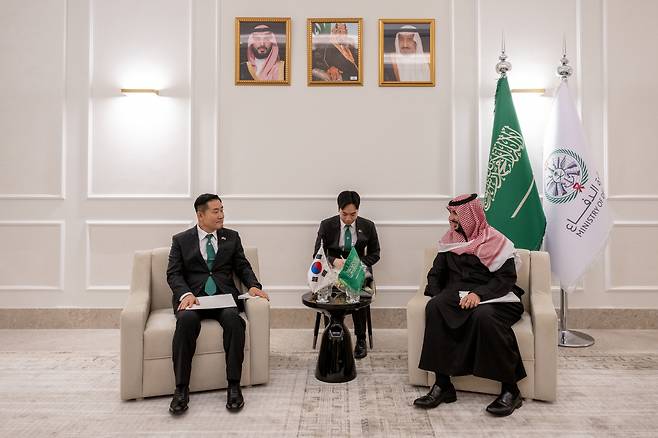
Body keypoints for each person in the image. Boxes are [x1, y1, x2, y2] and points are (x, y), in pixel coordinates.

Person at [413, 193, 526, 417]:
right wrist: (440, 296)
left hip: (497, 297)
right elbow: (436, 274)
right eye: (450, 213)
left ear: (470, 216)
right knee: (435, 307)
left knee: (483, 316)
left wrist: (478, 294)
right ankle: (443, 385)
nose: (451, 219)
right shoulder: (449, 241)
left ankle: (511, 390)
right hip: (459, 296)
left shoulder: (496, 241)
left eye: (455, 214)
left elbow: (505, 279)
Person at [167, 194, 269, 415]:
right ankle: (181, 389)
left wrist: (253, 285)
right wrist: (185, 294)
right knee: (185, 323)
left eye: (222, 209)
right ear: (200, 214)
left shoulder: (231, 237)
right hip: (194, 299)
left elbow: (243, 266)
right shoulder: (181, 240)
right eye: (216, 211)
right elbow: (173, 274)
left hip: (223, 297)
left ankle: (233, 386)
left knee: (234, 322)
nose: (221, 215)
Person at [313, 190, 380, 358]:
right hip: (332, 270)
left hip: (358, 269)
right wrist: (334, 261)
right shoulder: (327, 225)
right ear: (338, 209)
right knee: (326, 292)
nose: (349, 219)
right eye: (344, 214)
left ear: (358, 210)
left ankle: (361, 339)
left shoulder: (368, 226)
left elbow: (375, 253)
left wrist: (357, 264)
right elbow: (317, 253)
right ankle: (332, 335)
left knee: (358, 290)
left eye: (353, 214)